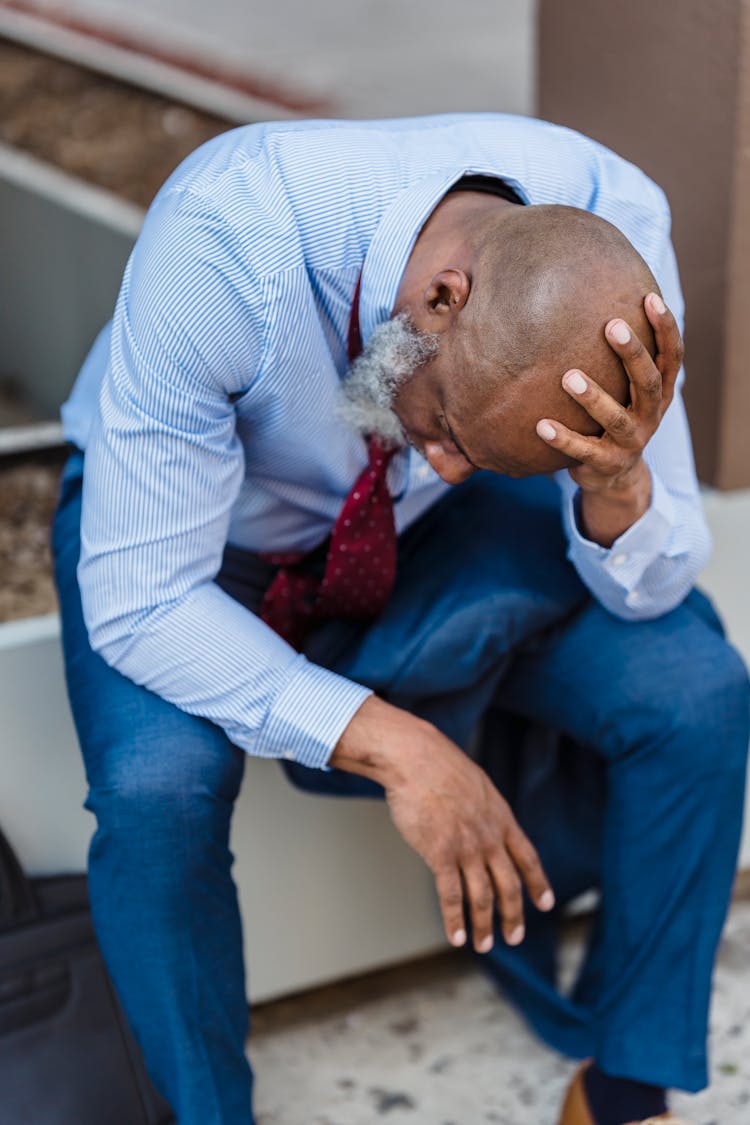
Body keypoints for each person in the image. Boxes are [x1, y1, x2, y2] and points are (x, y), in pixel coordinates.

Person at [52, 113, 749, 1125]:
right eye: (451, 428)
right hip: (194, 542)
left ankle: (624, 1092)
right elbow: (145, 601)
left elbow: (650, 579)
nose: (450, 464)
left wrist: (613, 484)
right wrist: (397, 746)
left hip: (412, 539)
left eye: (492, 454)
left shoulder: (610, 223)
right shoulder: (223, 240)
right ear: (439, 297)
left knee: (697, 690)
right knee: (156, 792)